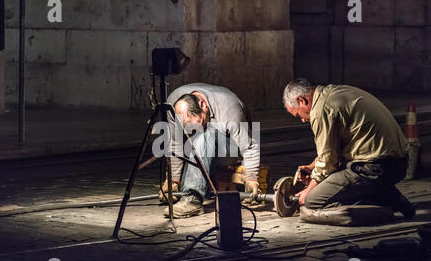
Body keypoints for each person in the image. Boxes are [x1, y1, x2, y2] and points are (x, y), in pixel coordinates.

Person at [282, 78, 415, 225]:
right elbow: (332, 151)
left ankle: (382, 208)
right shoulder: (334, 93)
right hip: (399, 163)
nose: (302, 120)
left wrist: (310, 189)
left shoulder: (320, 110)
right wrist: (311, 167)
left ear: (302, 101)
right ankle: (388, 195)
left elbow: (328, 161)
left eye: (298, 115)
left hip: (373, 168)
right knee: (329, 179)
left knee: (312, 201)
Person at [159, 83, 260, 218]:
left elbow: (249, 146)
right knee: (196, 139)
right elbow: (175, 143)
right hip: (201, 149)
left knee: (205, 135)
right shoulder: (173, 105)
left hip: (231, 148)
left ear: (203, 105)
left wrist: (251, 178)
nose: (194, 131)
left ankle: (192, 200)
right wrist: (174, 180)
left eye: (198, 123)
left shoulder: (229, 109)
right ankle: (188, 188)